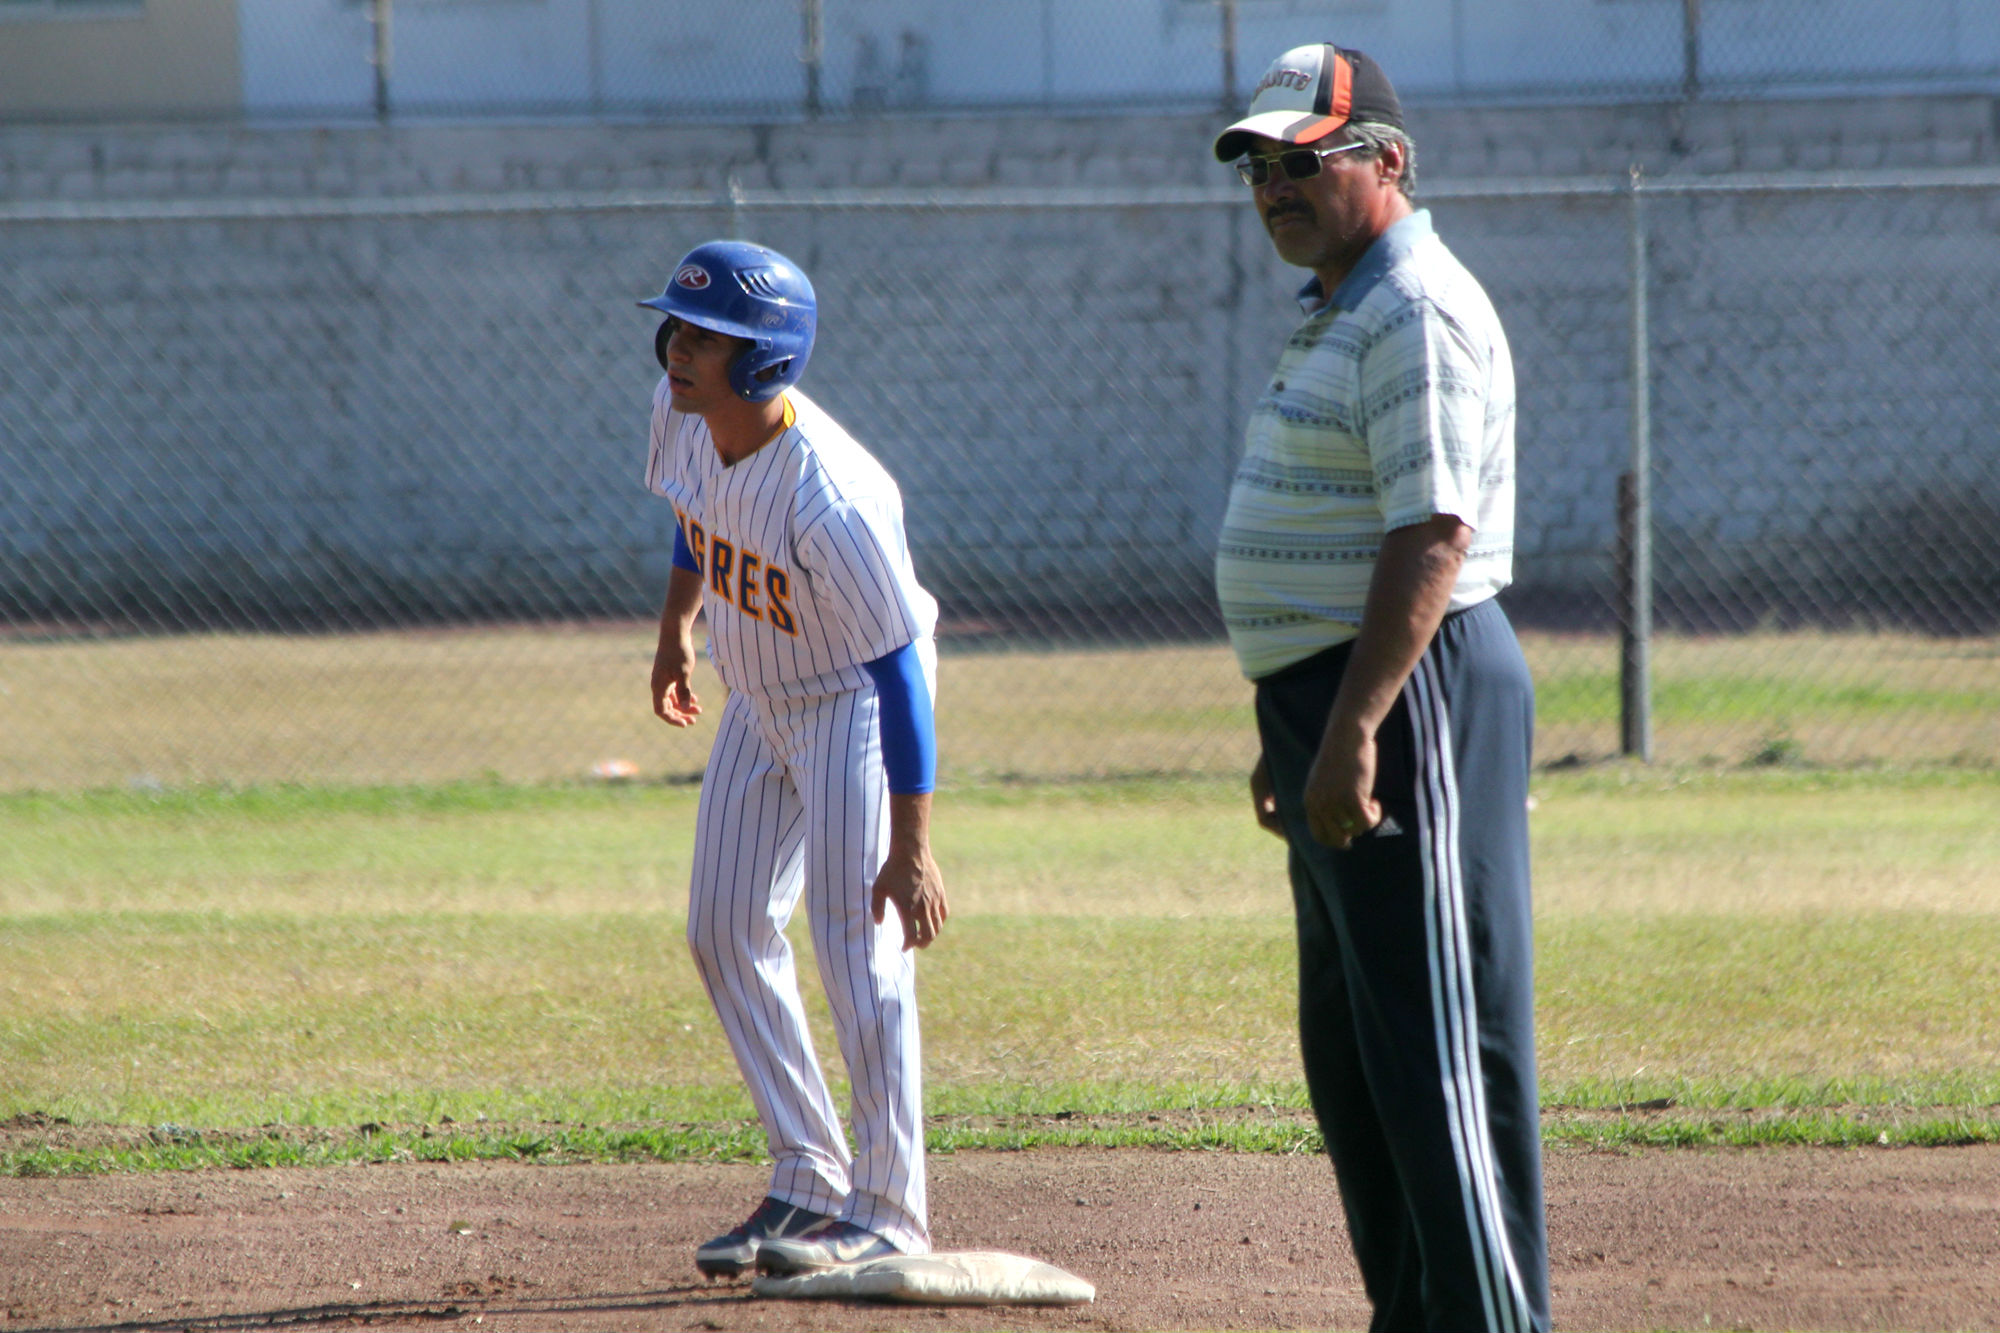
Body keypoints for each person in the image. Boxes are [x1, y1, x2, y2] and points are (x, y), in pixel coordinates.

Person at [1211, 44, 1550, 1333]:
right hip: (1342, 706)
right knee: (1358, 1061)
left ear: (1385, 163)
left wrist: (1351, 722)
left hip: (1413, 704)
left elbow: (1429, 535)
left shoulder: (1411, 306)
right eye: (1258, 165)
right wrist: (1291, 721)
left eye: (1303, 158)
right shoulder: (1345, 303)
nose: (1273, 186)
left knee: (1437, 1056)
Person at [636, 239, 946, 1279]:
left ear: (763, 360)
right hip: (756, 694)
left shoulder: (835, 499)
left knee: (858, 946)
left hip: (853, 704)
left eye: (705, 337)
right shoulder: (680, 415)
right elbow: (696, 518)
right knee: (720, 927)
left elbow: (899, 673)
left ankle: (890, 1206)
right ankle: (809, 1175)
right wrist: (676, 629)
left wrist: (911, 848)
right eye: (676, 327)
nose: (678, 349)